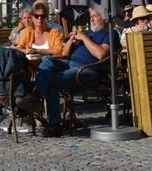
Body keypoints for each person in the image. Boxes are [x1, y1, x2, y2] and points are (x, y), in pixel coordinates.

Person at [17, 7, 111, 137]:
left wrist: (84, 38)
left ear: (105, 18)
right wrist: (72, 40)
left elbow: (101, 54)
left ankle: (53, 123)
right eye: (91, 16)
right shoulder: (87, 33)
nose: (91, 18)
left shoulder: (109, 34)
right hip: (69, 64)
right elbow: (64, 53)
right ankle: (37, 97)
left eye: (95, 16)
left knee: (50, 81)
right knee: (47, 60)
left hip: (87, 69)